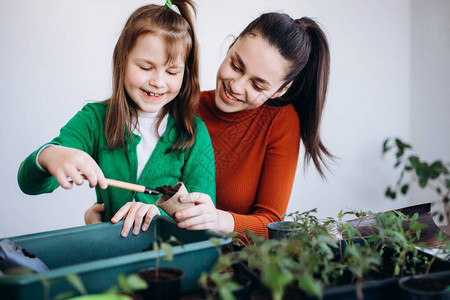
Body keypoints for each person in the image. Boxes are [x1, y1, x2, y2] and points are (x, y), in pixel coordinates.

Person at [86, 11, 332, 238]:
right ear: (230, 46)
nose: (236, 86)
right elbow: (142, 189)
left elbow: (271, 224)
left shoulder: (281, 123)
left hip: (233, 265)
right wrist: (107, 223)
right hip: (164, 252)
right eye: (236, 65)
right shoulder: (179, 107)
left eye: (257, 85)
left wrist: (216, 220)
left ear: (282, 90)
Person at [17, 0, 215, 238]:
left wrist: (157, 217)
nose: (158, 82)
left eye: (172, 72)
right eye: (145, 67)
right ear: (122, 61)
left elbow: (200, 221)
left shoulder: (194, 134)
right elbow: (28, 184)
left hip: (168, 263)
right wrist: (49, 155)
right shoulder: (94, 120)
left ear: (186, 72)